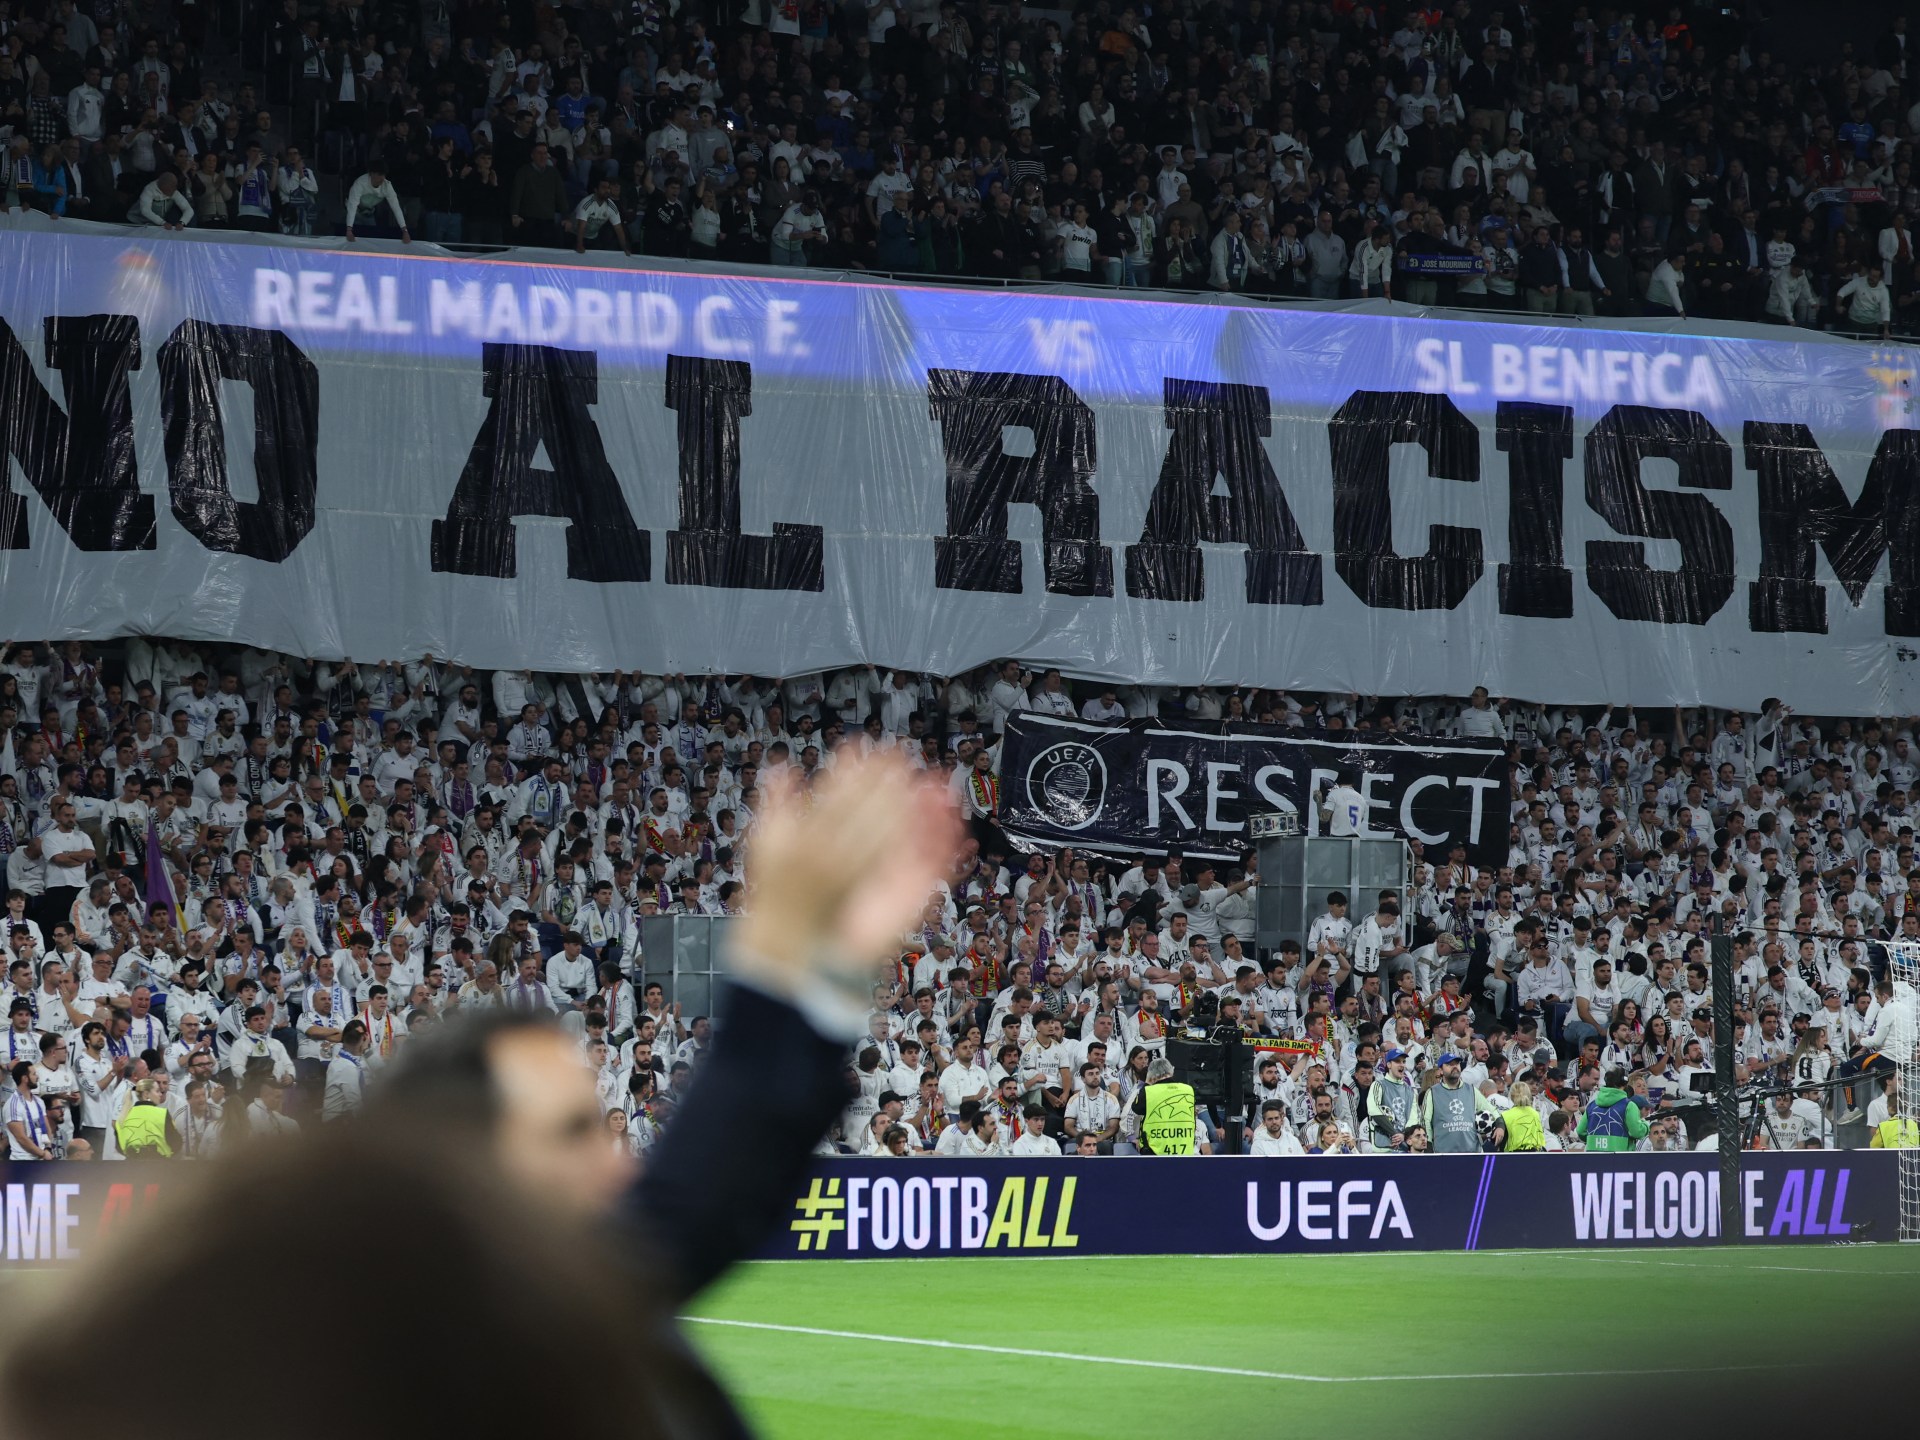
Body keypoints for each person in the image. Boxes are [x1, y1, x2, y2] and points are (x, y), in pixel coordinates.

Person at [1577, 1067, 1650, 1152]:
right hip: (1619, 1157)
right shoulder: (1629, 1105)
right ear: (1625, 1083)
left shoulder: (1591, 1106)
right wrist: (1646, 1124)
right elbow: (1637, 1132)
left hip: (1593, 1156)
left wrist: (1594, 1140)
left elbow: (1580, 1131)